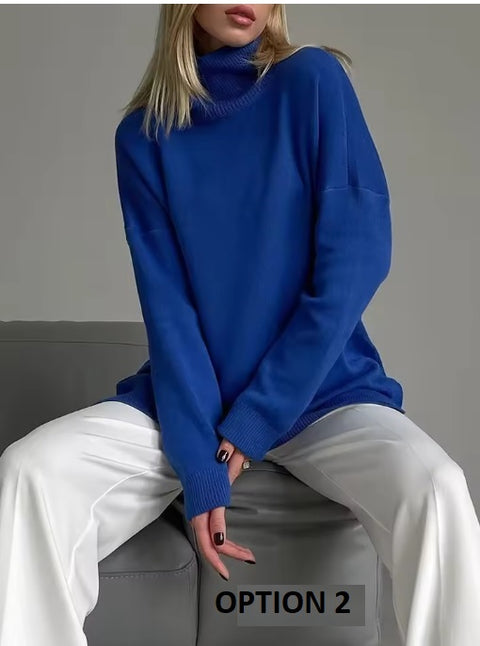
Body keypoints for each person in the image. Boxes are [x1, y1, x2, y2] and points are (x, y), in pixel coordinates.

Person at [1, 4, 479, 645]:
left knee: (437, 490)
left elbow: (356, 261)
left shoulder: (312, 81)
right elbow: (170, 311)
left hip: (321, 395)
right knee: (30, 472)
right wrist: (199, 463)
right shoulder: (143, 136)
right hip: (190, 404)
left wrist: (255, 421)